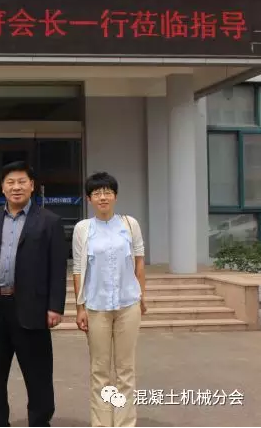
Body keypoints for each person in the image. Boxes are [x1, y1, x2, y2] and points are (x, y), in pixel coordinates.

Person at [0, 161, 68, 427]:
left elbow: (58, 267)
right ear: (2, 187)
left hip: (32, 308)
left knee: (38, 375)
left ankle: (39, 422)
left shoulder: (49, 221)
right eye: (10, 182)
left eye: (22, 182)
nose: (16, 187)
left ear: (32, 186)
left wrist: (55, 306)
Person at [72, 172, 147, 428]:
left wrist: (141, 295)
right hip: (96, 307)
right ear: (89, 199)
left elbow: (139, 262)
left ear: (115, 196)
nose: (102, 197)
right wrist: (80, 307)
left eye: (107, 192)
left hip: (128, 305)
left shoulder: (129, 224)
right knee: (100, 371)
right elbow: (78, 270)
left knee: (126, 370)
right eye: (96, 193)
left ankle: (125, 423)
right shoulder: (83, 229)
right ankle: (102, 423)